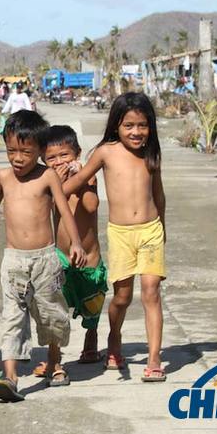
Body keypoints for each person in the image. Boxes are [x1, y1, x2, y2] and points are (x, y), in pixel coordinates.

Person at [0, 110, 85, 402]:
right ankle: (10, 378)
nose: (18, 158)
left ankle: (56, 362)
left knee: (50, 314)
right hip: (13, 260)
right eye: (12, 150)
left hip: (45, 259)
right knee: (13, 316)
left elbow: (63, 209)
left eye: (26, 152)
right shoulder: (3, 177)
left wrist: (75, 243)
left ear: (39, 150)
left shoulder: (47, 176)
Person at [63, 92, 167, 382]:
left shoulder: (152, 152)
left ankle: (155, 358)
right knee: (122, 297)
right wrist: (52, 193)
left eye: (142, 125)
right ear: (116, 126)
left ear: (151, 127)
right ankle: (115, 339)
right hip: (121, 234)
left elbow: (158, 194)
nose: (136, 132)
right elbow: (80, 179)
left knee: (151, 292)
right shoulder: (105, 152)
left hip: (150, 230)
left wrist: (164, 227)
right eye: (129, 125)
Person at [32, 125, 108, 377]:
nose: (58, 162)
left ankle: (91, 337)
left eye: (64, 155)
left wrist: (83, 179)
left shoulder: (89, 178)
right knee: (54, 305)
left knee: (92, 306)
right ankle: (54, 356)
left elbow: (91, 205)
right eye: (51, 158)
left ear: (77, 153)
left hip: (89, 258)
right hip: (61, 257)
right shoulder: (49, 182)